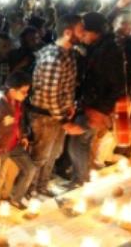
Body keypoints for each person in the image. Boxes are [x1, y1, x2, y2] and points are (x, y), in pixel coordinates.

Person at [28, 14, 83, 197]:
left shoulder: (68, 54)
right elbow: (49, 94)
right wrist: (64, 120)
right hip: (45, 115)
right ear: (68, 32)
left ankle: (42, 186)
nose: (83, 34)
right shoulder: (54, 57)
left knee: (54, 153)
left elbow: (66, 87)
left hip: (58, 115)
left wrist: (70, 107)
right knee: (40, 156)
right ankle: (29, 190)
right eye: (80, 30)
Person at [69, 12, 127, 185]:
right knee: (81, 143)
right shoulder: (102, 46)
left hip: (95, 107)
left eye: (84, 32)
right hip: (92, 103)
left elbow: (116, 85)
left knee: (78, 144)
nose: (81, 36)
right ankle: (80, 178)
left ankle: (81, 180)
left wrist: (101, 110)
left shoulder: (108, 51)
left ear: (95, 32)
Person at [0, 72, 35, 213]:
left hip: (14, 145)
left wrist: (22, 135)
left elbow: (18, 121)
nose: (25, 95)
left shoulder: (17, 103)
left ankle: (16, 198)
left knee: (30, 169)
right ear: (12, 90)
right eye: (23, 92)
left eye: (27, 92)